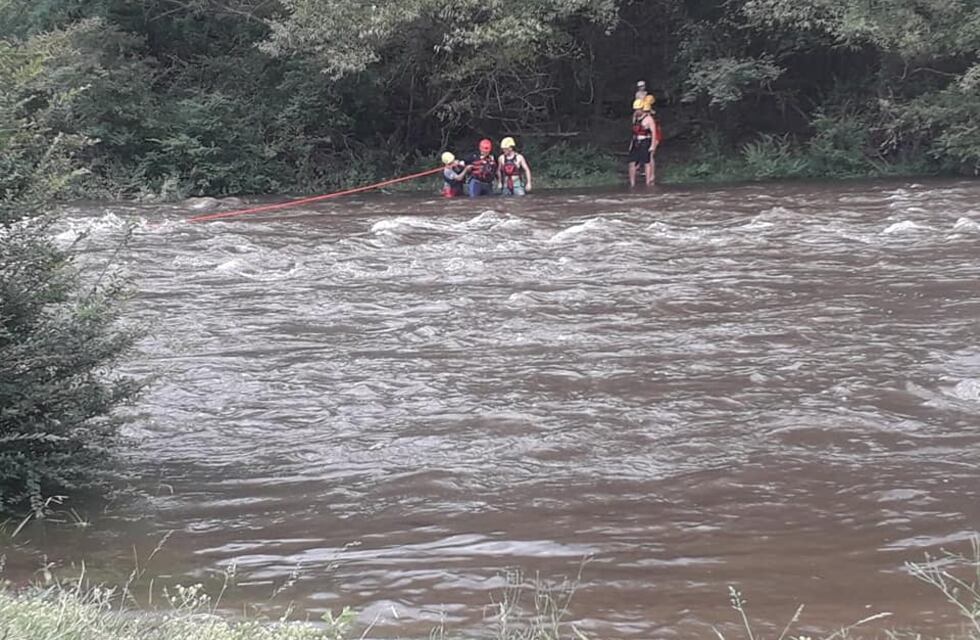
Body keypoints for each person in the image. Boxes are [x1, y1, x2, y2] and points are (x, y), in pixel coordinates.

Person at [628, 97, 657, 187]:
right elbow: (633, 132)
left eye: (638, 109)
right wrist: (631, 143)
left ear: (642, 109)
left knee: (646, 162)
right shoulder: (634, 118)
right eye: (636, 109)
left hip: (645, 141)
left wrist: (652, 145)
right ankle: (632, 183)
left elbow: (654, 132)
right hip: (636, 141)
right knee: (631, 162)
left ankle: (648, 182)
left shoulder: (649, 119)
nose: (637, 111)